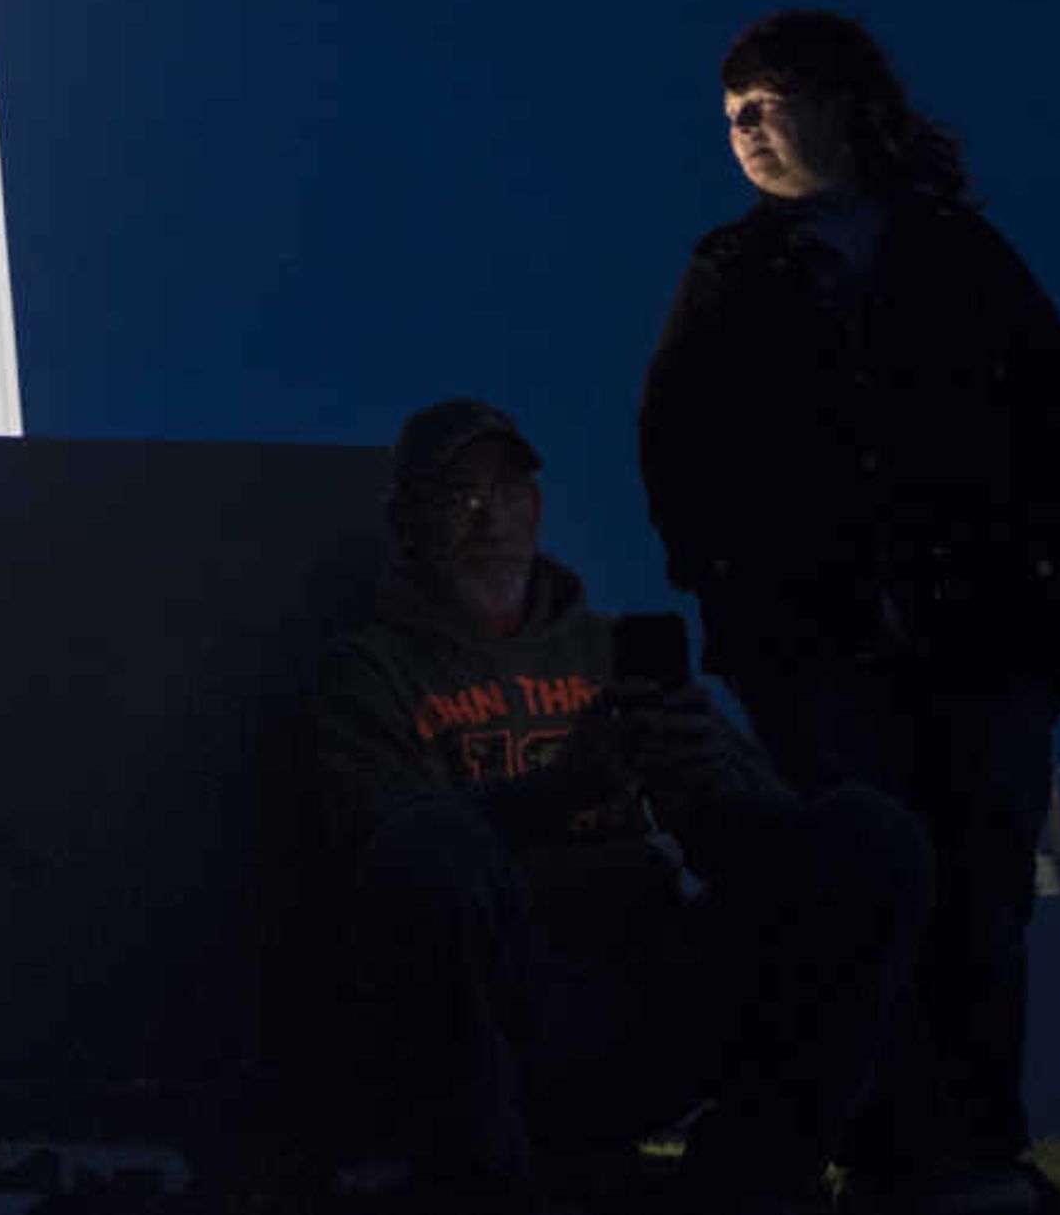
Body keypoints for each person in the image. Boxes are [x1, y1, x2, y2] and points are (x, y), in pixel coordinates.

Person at [641, 11, 1060, 1215]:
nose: (743, 130)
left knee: (984, 889)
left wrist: (1044, 569)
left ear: (840, 102)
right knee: (867, 884)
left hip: (986, 638)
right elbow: (675, 443)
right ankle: (899, 1154)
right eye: (729, 114)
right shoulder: (728, 271)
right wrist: (737, 590)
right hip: (817, 650)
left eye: (765, 103)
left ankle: (983, 1151)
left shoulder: (955, 251)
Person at [318, 398, 929, 1215]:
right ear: (407, 522)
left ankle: (760, 1172)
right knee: (427, 850)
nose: (488, 512)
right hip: (510, 1015)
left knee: (868, 833)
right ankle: (485, 1181)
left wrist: (712, 789)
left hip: (652, 983)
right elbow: (386, 851)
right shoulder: (368, 671)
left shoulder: (608, 652)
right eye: (457, 491)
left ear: (538, 504)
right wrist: (557, 792)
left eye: (508, 486)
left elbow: (770, 845)